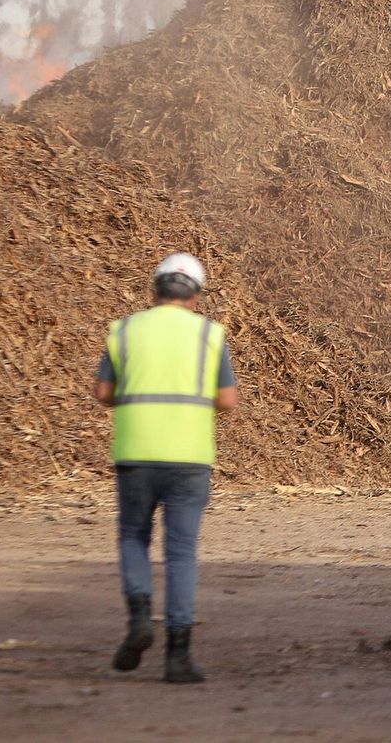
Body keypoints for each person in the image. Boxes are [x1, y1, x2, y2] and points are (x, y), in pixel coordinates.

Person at [92, 252, 239, 683]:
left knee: (134, 537)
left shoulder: (124, 330)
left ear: (155, 289)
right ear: (195, 294)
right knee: (181, 552)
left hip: (136, 452)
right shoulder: (210, 335)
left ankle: (139, 617)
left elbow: (103, 391)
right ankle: (178, 657)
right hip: (190, 457)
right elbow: (228, 400)